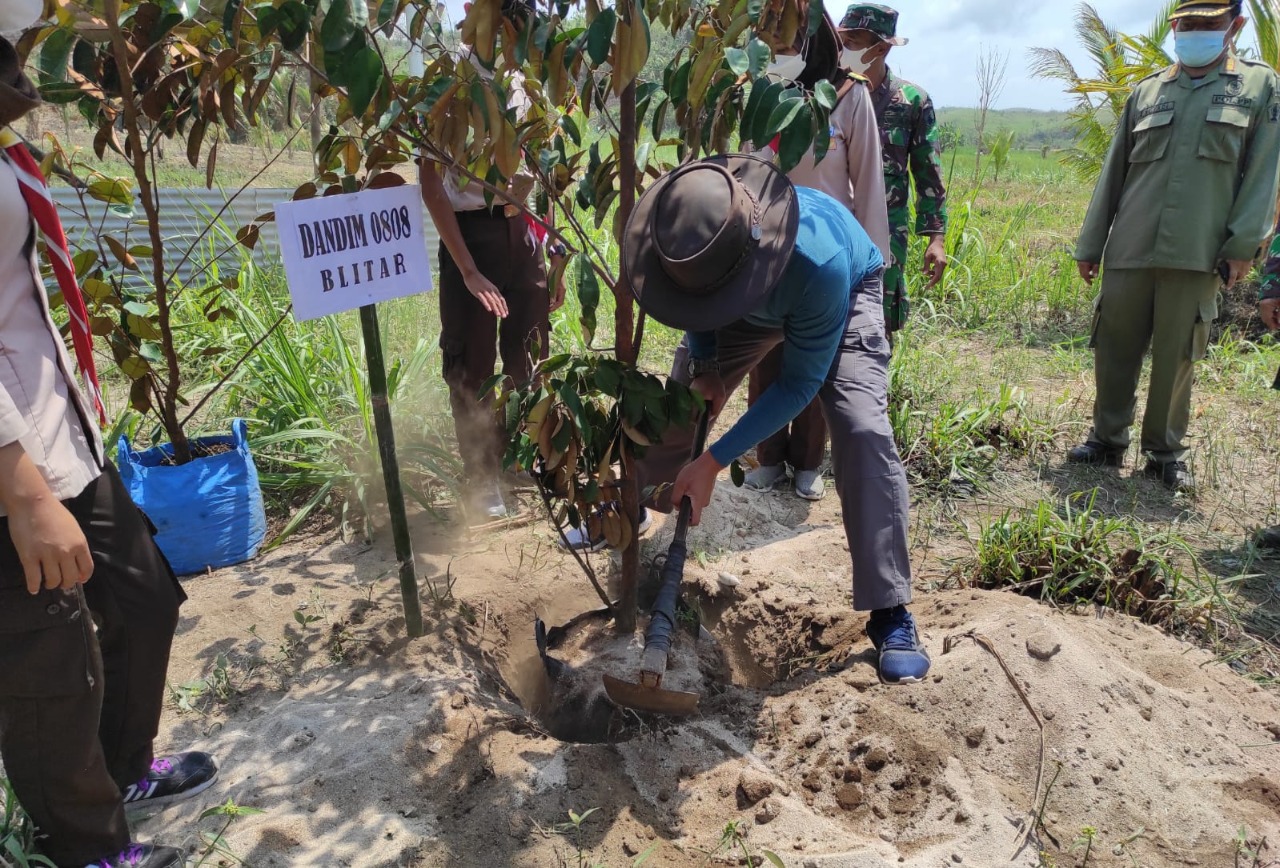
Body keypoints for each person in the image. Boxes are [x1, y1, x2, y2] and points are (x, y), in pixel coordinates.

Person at [0, 11, 217, 868]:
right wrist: (19, 490)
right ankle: (84, 852)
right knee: (48, 665)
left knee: (142, 600)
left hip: (60, 438)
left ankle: (125, 769)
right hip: (15, 468)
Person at [625, 154, 930, 685]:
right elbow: (691, 303)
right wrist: (707, 367)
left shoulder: (819, 264)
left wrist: (715, 460)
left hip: (844, 291)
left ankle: (891, 611)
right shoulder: (691, 238)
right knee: (675, 403)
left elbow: (799, 383)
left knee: (861, 428)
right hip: (735, 298)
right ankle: (636, 527)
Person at [1069, 0, 1280, 493]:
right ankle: (1106, 439)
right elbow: (1113, 172)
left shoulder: (1259, 87)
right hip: (1131, 245)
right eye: (1185, 24)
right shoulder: (1147, 92)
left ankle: (1164, 453)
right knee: (1114, 346)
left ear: (1235, 26)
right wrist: (1091, 243)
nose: (1193, 33)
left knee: (1176, 354)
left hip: (1199, 248)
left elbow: (1264, 173)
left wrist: (1243, 245)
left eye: (1207, 25)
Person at [420, 0, 567, 522]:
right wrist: (467, 269)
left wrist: (551, 247)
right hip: (473, 238)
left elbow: (540, 172)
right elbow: (433, 189)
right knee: (473, 366)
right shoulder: (450, 83)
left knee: (528, 358)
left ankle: (518, 462)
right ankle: (480, 477)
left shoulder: (523, 82)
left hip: (521, 235)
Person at [743, 10, 891, 501]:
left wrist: (872, 263)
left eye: (787, 44)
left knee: (817, 355)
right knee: (768, 351)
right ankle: (768, 457)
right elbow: (745, 166)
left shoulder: (849, 96)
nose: (779, 53)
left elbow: (867, 181)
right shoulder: (764, 91)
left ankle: (807, 462)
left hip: (829, 249)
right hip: (770, 242)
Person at [837, 3, 948, 336]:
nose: (844, 49)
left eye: (853, 41)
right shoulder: (828, 95)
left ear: (881, 48)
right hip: (836, 220)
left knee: (877, 318)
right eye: (842, 39)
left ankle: (872, 383)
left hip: (886, 230)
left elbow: (929, 174)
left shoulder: (912, 102)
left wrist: (936, 239)